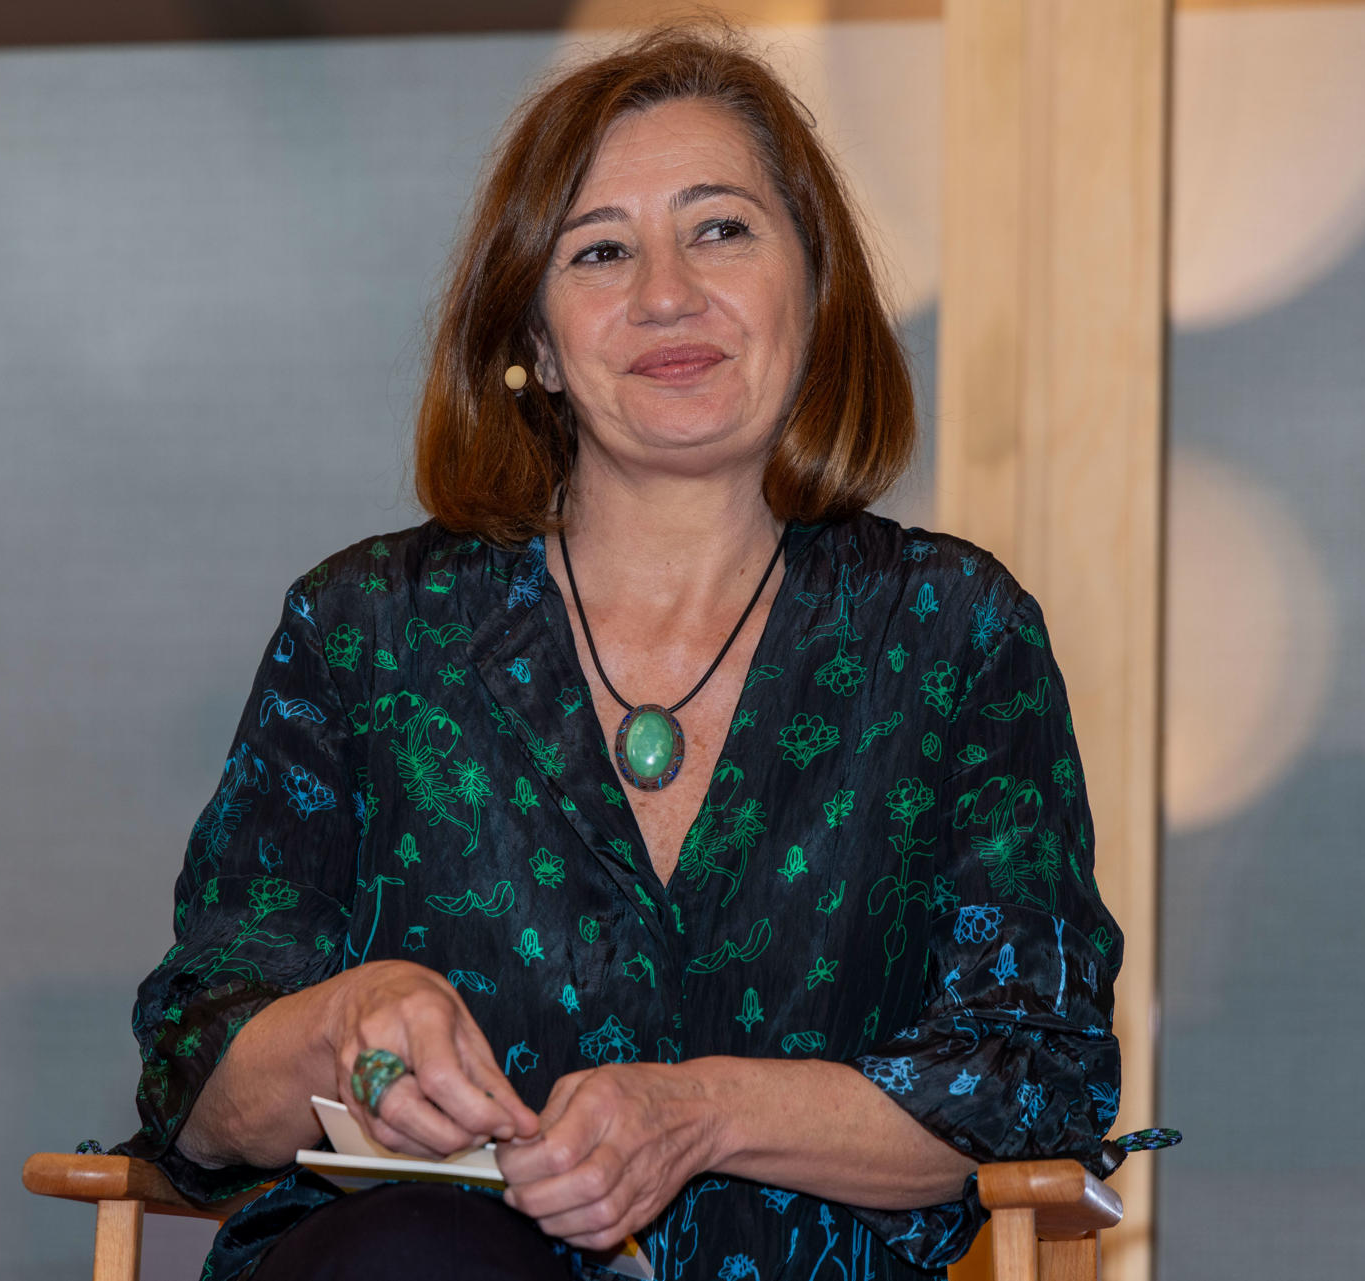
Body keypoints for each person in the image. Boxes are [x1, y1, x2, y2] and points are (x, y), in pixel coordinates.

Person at [113, 24, 1122, 1281]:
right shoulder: (364, 628)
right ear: (529, 338)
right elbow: (195, 1074)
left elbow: (1033, 1070)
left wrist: (699, 1110)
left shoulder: (956, 633)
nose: (665, 295)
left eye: (721, 230)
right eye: (600, 250)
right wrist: (346, 1029)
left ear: (814, 294)